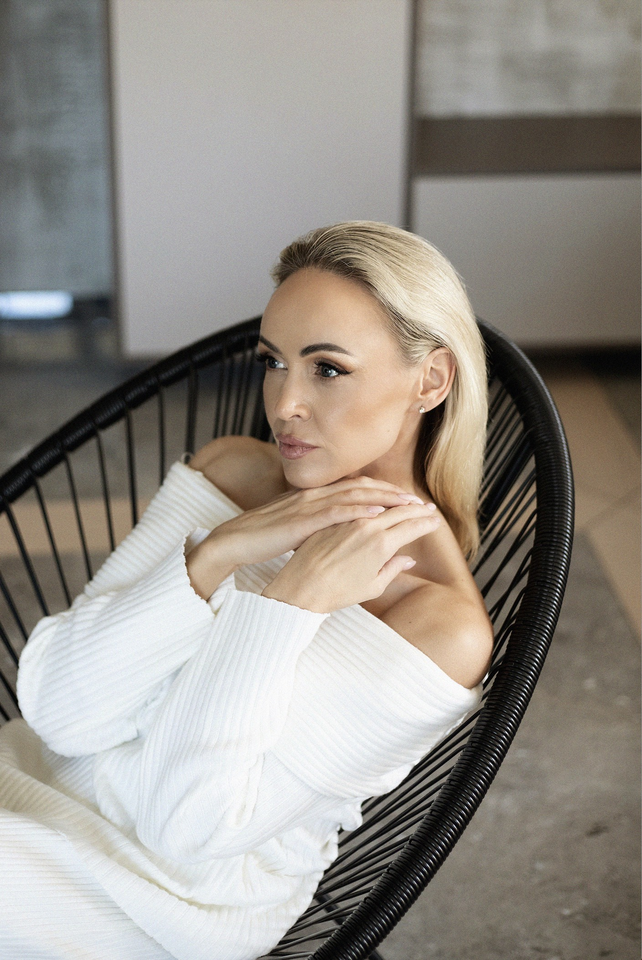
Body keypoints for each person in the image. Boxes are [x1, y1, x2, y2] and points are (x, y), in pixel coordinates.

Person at [0, 221, 493, 960]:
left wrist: (287, 604)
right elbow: (55, 711)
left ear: (431, 380)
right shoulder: (234, 474)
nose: (284, 403)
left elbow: (184, 828)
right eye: (274, 362)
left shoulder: (434, 624)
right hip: (26, 784)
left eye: (328, 369)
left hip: (158, 898)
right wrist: (216, 554)